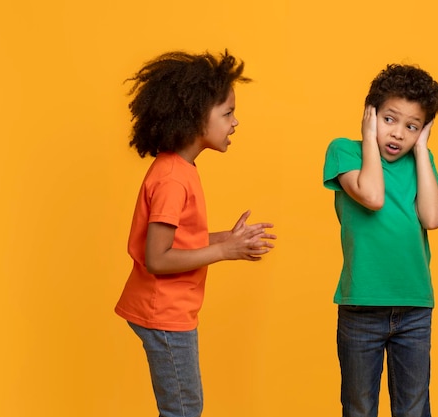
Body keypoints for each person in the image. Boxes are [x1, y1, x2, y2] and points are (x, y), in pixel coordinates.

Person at [115, 50, 276, 417]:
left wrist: (225, 239)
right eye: (227, 113)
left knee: (184, 408)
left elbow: (178, 243)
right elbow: (158, 258)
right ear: (193, 117)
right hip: (164, 312)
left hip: (172, 310)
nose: (235, 122)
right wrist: (225, 252)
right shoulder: (173, 178)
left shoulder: (180, 169)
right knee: (185, 410)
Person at [322, 63, 438, 417]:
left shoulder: (421, 161)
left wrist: (422, 151)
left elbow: (432, 218)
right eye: (389, 120)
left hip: (414, 306)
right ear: (370, 113)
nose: (398, 134)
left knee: (414, 407)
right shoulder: (345, 151)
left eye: (412, 127)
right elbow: (373, 195)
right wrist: (368, 136)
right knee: (359, 407)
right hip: (362, 306)